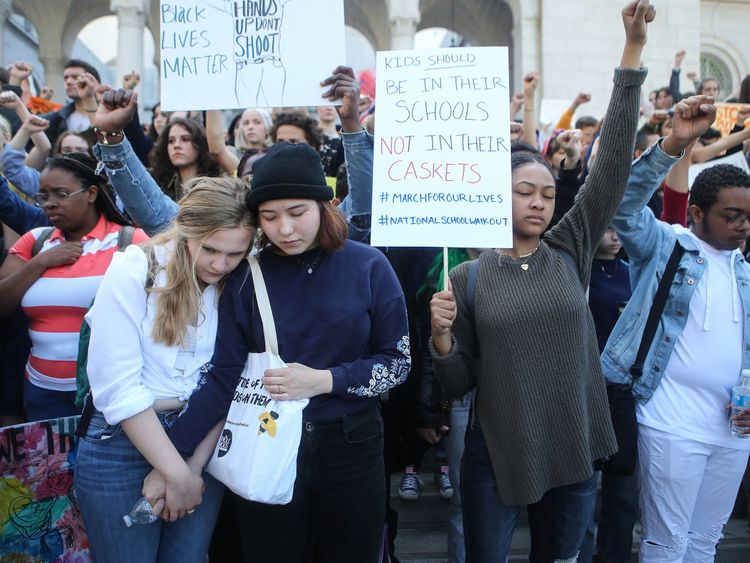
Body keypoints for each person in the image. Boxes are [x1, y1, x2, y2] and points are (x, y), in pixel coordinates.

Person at [428, 2, 654, 561]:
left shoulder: (569, 248)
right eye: (525, 191)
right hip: (497, 450)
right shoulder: (467, 274)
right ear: (494, 194)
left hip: (571, 443)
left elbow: (611, 169)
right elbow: (458, 383)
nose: (539, 202)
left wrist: (632, 51)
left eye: (549, 194)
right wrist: (440, 339)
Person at [148, 139, 410, 563]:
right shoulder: (245, 276)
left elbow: (397, 363)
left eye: (297, 213)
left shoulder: (368, 265)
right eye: (269, 217)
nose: (285, 230)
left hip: (352, 444)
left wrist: (326, 380)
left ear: (326, 206)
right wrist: (174, 455)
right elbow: (223, 375)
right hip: (264, 442)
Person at [74, 177, 255, 563]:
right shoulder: (134, 270)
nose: (220, 264)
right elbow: (117, 390)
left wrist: (191, 467)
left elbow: (227, 382)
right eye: (210, 249)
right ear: (185, 230)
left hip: (202, 438)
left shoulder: (238, 282)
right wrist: (177, 472)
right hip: (120, 444)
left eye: (235, 253)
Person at [603, 93, 750, 562]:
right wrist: (673, 144)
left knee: (706, 542)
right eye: (732, 216)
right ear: (695, 214)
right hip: (669, 425)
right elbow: (622, 208)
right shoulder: (667, 246)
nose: (743, 226)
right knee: (667, 544)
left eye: (749, 217)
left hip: (734, 431)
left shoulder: (745, 270)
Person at [0, 153, 147, 421]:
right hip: (41, 392)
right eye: (43, 196)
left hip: (107, 392)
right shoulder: (35, 242)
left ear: (91, 193)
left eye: (61, 194)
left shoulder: (130, 240)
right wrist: (40, 262)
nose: (50, 204)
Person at [149, 118, 222, 201]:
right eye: (171, 141)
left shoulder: (216, 185)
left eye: (185, 139)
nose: (176, 145)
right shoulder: (156, 184)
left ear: (200, 144)